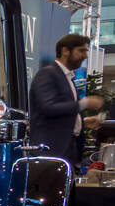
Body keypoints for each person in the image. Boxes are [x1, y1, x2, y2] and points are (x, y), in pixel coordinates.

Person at [29, 33, 104, 166]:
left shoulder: (67, 77)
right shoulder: (47, 74)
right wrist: (84, 103)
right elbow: (48, 107)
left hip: (66, 152)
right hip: (51, 153)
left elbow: (57, 114)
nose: (85, 56)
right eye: (81, 50)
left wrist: (82, 122)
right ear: (65, 51)